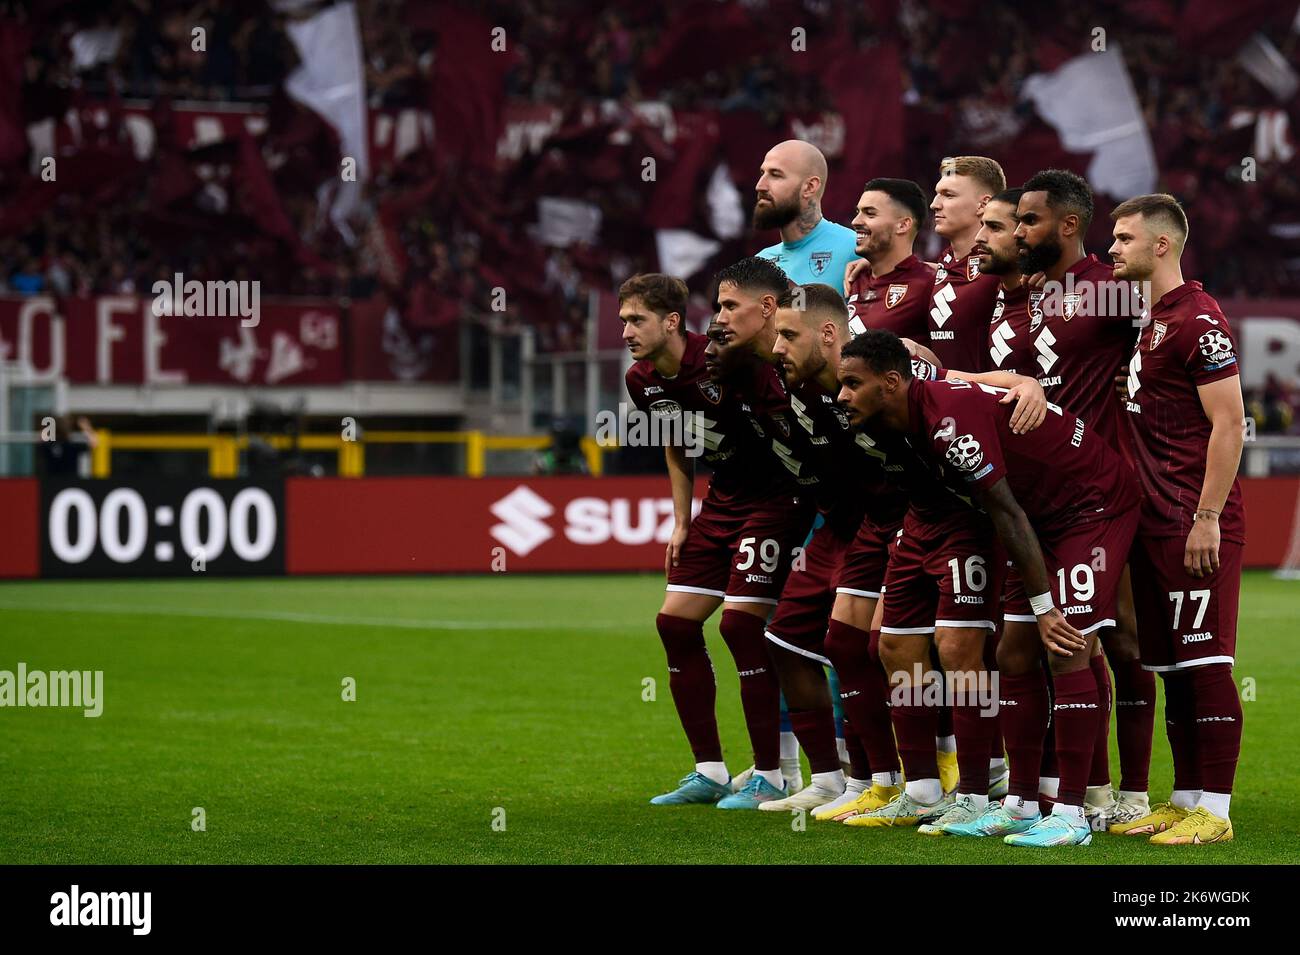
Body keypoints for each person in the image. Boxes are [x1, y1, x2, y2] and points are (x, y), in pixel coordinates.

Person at [838, 329, 1139, 847]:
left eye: (850, 384)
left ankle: (1072, 814)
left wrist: (1045, 606)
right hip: (1041, 516)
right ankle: (1022, 804)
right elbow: (969, 382)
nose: (841, 396)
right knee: (1016, 652)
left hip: (1090, 504)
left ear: (890, 383)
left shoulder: (947, 427)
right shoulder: (910, 403)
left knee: (1064, 644)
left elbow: (1006, 512)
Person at [621, 273, 814, 806]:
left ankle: (774, 773)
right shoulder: (641, 381)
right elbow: (677, 446)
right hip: (723, 501)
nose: (627, 331)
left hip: (776, 500)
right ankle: (709, 770)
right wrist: (682, 522)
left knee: (741, 625)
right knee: (674, 623)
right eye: (623, 321)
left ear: (671, 322)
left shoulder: (724, 359)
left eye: (637, 320)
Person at [1107, 193, 1246, 845]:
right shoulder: (1152, 320)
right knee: (1173, 669)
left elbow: (1229, 424)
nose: (1113, 247)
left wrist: (1208, 516)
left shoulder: (1198, 318)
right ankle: (1185, 795)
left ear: (1161, 244)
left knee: (1207, 663)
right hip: (1154, 524)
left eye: (1124, 237)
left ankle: (1214, 809)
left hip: (1194, 521)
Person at [754, 140, 860, 286]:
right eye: (762, 173)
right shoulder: (761, 261)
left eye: (775, 175)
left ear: (810, 187)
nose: (760, 186)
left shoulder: (853, 249)